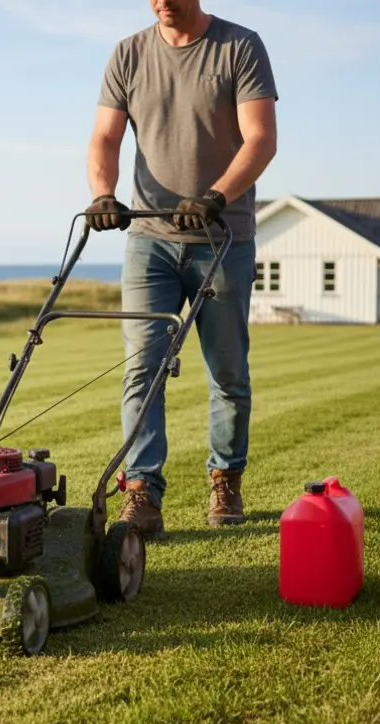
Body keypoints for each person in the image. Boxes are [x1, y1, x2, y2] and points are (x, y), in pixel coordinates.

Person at [84, 0, 278, 535]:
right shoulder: (129, 53)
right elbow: (105, 137)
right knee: (141, 368)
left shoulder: (239, 46)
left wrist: (217, 195)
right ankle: (142, 491)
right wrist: (103, 193)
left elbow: (261, 139)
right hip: (149, 238)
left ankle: (225, 479)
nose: (162, 2)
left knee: (227, 371)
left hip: (222, 237)